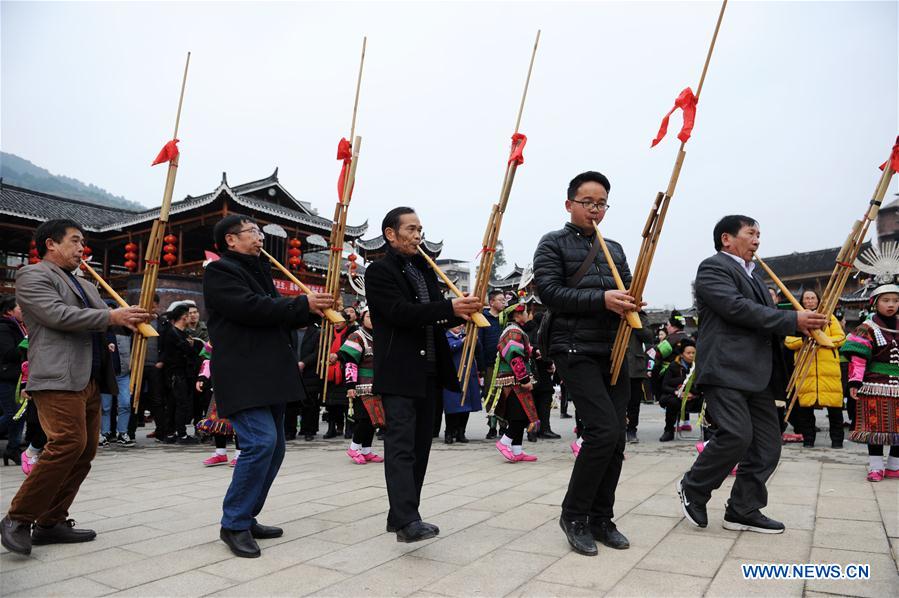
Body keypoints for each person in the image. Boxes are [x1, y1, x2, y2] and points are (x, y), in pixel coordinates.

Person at [1, 219, 150, 556]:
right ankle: (17, 518)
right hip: (58, 375)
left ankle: (50, 521)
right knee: (67, 443)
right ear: (51, 244)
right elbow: (57, 315)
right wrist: (111, 317)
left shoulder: (85, 283)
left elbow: (103, 322)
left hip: (91, 377)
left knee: (84, 451)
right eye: (75, 241)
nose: (82, 248)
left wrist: (130, 320)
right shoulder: (32, 275)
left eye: (82, 242)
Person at [676, 215, 828, 535]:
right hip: (725, 368)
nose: (757, 240)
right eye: (751, 233)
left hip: (758, 373)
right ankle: (694, 487)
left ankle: (743, 508)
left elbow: (766, 318)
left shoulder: (756, 277)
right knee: (736, 434)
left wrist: (803, 326)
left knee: (768, 445)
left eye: (759, 234)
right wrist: (793, 320)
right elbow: (736, 308)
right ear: (726, 239)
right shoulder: (713, 267)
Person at [203, 214, 334, 558]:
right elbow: (250, 309)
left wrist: (312, 311)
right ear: (231, 240)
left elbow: (278, 314)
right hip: (243, 372)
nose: (260, 237)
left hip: (270, 372)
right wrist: (300, 303)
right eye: (253, 232)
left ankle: (246, 516)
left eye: (260, 232)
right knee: (260, 443)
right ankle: (233, 523)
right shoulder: (220, 271)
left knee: (275, 448)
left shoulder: (260, 269)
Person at [533, 171, 636, 556]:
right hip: (574, 347)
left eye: (601, 203)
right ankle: (574, 516)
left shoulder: (616, 249)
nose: (595, 209)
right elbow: (549, 293)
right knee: (602, 430)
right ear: (569, 204)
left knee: (616, 437)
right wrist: (602, 299)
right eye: (587, 202)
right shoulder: (552, 243)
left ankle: (602, 517)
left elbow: (627, 289)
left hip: (614, 348)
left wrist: (630, 301)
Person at [365, 207, 482, 542]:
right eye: (411, 229)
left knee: (420, 446)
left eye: (420, 230)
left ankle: (401, 514)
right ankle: (407, 521)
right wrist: (448, 309)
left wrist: (463, 312)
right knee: (401, 447)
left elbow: (435, 315)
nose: (418, 236)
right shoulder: (379, 271)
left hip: (430, 370)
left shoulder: (424, 269)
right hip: (399, 371)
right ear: (391, 234)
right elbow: (400, 313)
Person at [840, 284, 899, 481]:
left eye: (896, 301)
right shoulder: (867, 328)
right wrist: (855, 382)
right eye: (886, 300)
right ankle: (876, 467)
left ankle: (894, 466)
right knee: (875, 428)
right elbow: (858, 359)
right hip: (874, 385)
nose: (891, 305)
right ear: (875, 303)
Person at [784, 290, 846, 448]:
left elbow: (841, 338)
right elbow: (789, 341)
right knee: (805, 408)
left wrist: (822, 340)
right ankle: (808, 440)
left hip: (829, 370)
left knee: (835, 407)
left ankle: (837, 441)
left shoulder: (828, 317)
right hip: (805, 369)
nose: (810, 301)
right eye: (807, 298)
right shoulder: (797, 318)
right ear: (802, 301)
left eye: (813, 298)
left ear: (818, 300)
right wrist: (804, 339)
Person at [491, 303, 540, 462]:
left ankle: (517, 450)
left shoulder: (514, 330)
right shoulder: (513, 331)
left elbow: (521, 350)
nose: (528, 315)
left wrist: (534, 351)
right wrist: (524, 379)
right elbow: (514, 357)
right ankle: (504, 442)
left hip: (514, 379)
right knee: (520, 415)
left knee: (519, 416)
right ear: (518, 315)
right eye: (526, 312)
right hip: (514, 381)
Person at [338, 308, 384, 463]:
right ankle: (354, 448)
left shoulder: (380, 336)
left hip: (377, 384)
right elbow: (350, 363)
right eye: (369, 316)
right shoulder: (356, 336)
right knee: (364, 418)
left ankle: (366, 450)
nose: (372, 319)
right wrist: (350, 386)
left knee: (374, 420)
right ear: (362, 318)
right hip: (361, 385)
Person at [160, 303, 199, 444]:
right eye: (188, 315)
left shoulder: (180, 333)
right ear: (184, 317)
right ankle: (181, 434)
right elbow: (187, 352)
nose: (191, 317)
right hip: (177, 374)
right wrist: (190, 346)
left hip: (178, 373)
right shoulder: (174, 334)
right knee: (181, 403)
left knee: (173, 404)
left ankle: (171, 433)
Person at [442, 324, 482, 444]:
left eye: (461, 324)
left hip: (468, 376)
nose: (460, 326)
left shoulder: (466, 335)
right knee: (452, 406)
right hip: (453, 377)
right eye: (456, 324)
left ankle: (461, 432)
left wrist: (475, 340)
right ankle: (449, 432)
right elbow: (449, 349)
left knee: (466, 406)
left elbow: (478, 351)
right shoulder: (446, 337)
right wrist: (463, 341)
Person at [98, 322, 135, 447]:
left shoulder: (125, 330)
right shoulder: (100, 330)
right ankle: (104, 434)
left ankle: (122, 433)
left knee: (125, 404)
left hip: (122, 374)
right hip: (106, 375)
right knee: (105, 407)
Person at [0, 297, 27, 466]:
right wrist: (27, 341)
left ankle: (13, 448)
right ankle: (12, 448)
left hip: (20, 378)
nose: (23, 311)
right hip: (6, 378)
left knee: (20, 414)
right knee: (12, 414)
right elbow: (9, 354)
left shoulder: (20, 327)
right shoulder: (4, 328)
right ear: (9, 311)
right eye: (20, 308)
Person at [658, 338, 700, 442]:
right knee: (671, 402)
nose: (691, 355)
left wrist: (693, 394)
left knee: (709, 401)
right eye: (688, 353)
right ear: (681, 354)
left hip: (694, 398)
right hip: (678, 398)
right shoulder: (673, 366)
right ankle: (669, 431)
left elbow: (702, 384)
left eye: (693, 353)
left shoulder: (699, 366)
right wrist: (677, 392)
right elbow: (665, 386)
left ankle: (709, 431)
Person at [625, 311, 654, 443]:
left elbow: (648, 336)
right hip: (614, 363)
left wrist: (634, 322)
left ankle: (631, 429)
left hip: (635, 367)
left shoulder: (640, 315)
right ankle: (618, 429)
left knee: (634, 402)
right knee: (616, 401)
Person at [482, 290, 507, 439]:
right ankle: (492, 426)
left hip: (505, 364)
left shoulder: (506, 318)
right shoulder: (483, 318)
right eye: (500, 300)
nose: (504, 302)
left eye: (504, 300)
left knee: (504, 395)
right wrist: (481, 365)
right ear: (491, 302)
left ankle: (503, 426)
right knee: (490, 395)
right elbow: (479, 342)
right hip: (490, 364)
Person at [298, 324, 322, 441]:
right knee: (291, 404)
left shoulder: (316, 332)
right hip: (292, 370)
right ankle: (289, 431)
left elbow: (318, 352)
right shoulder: (290, 331)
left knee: (310, 402)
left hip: (310, 372)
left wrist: (304, 362)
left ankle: (309, 430)